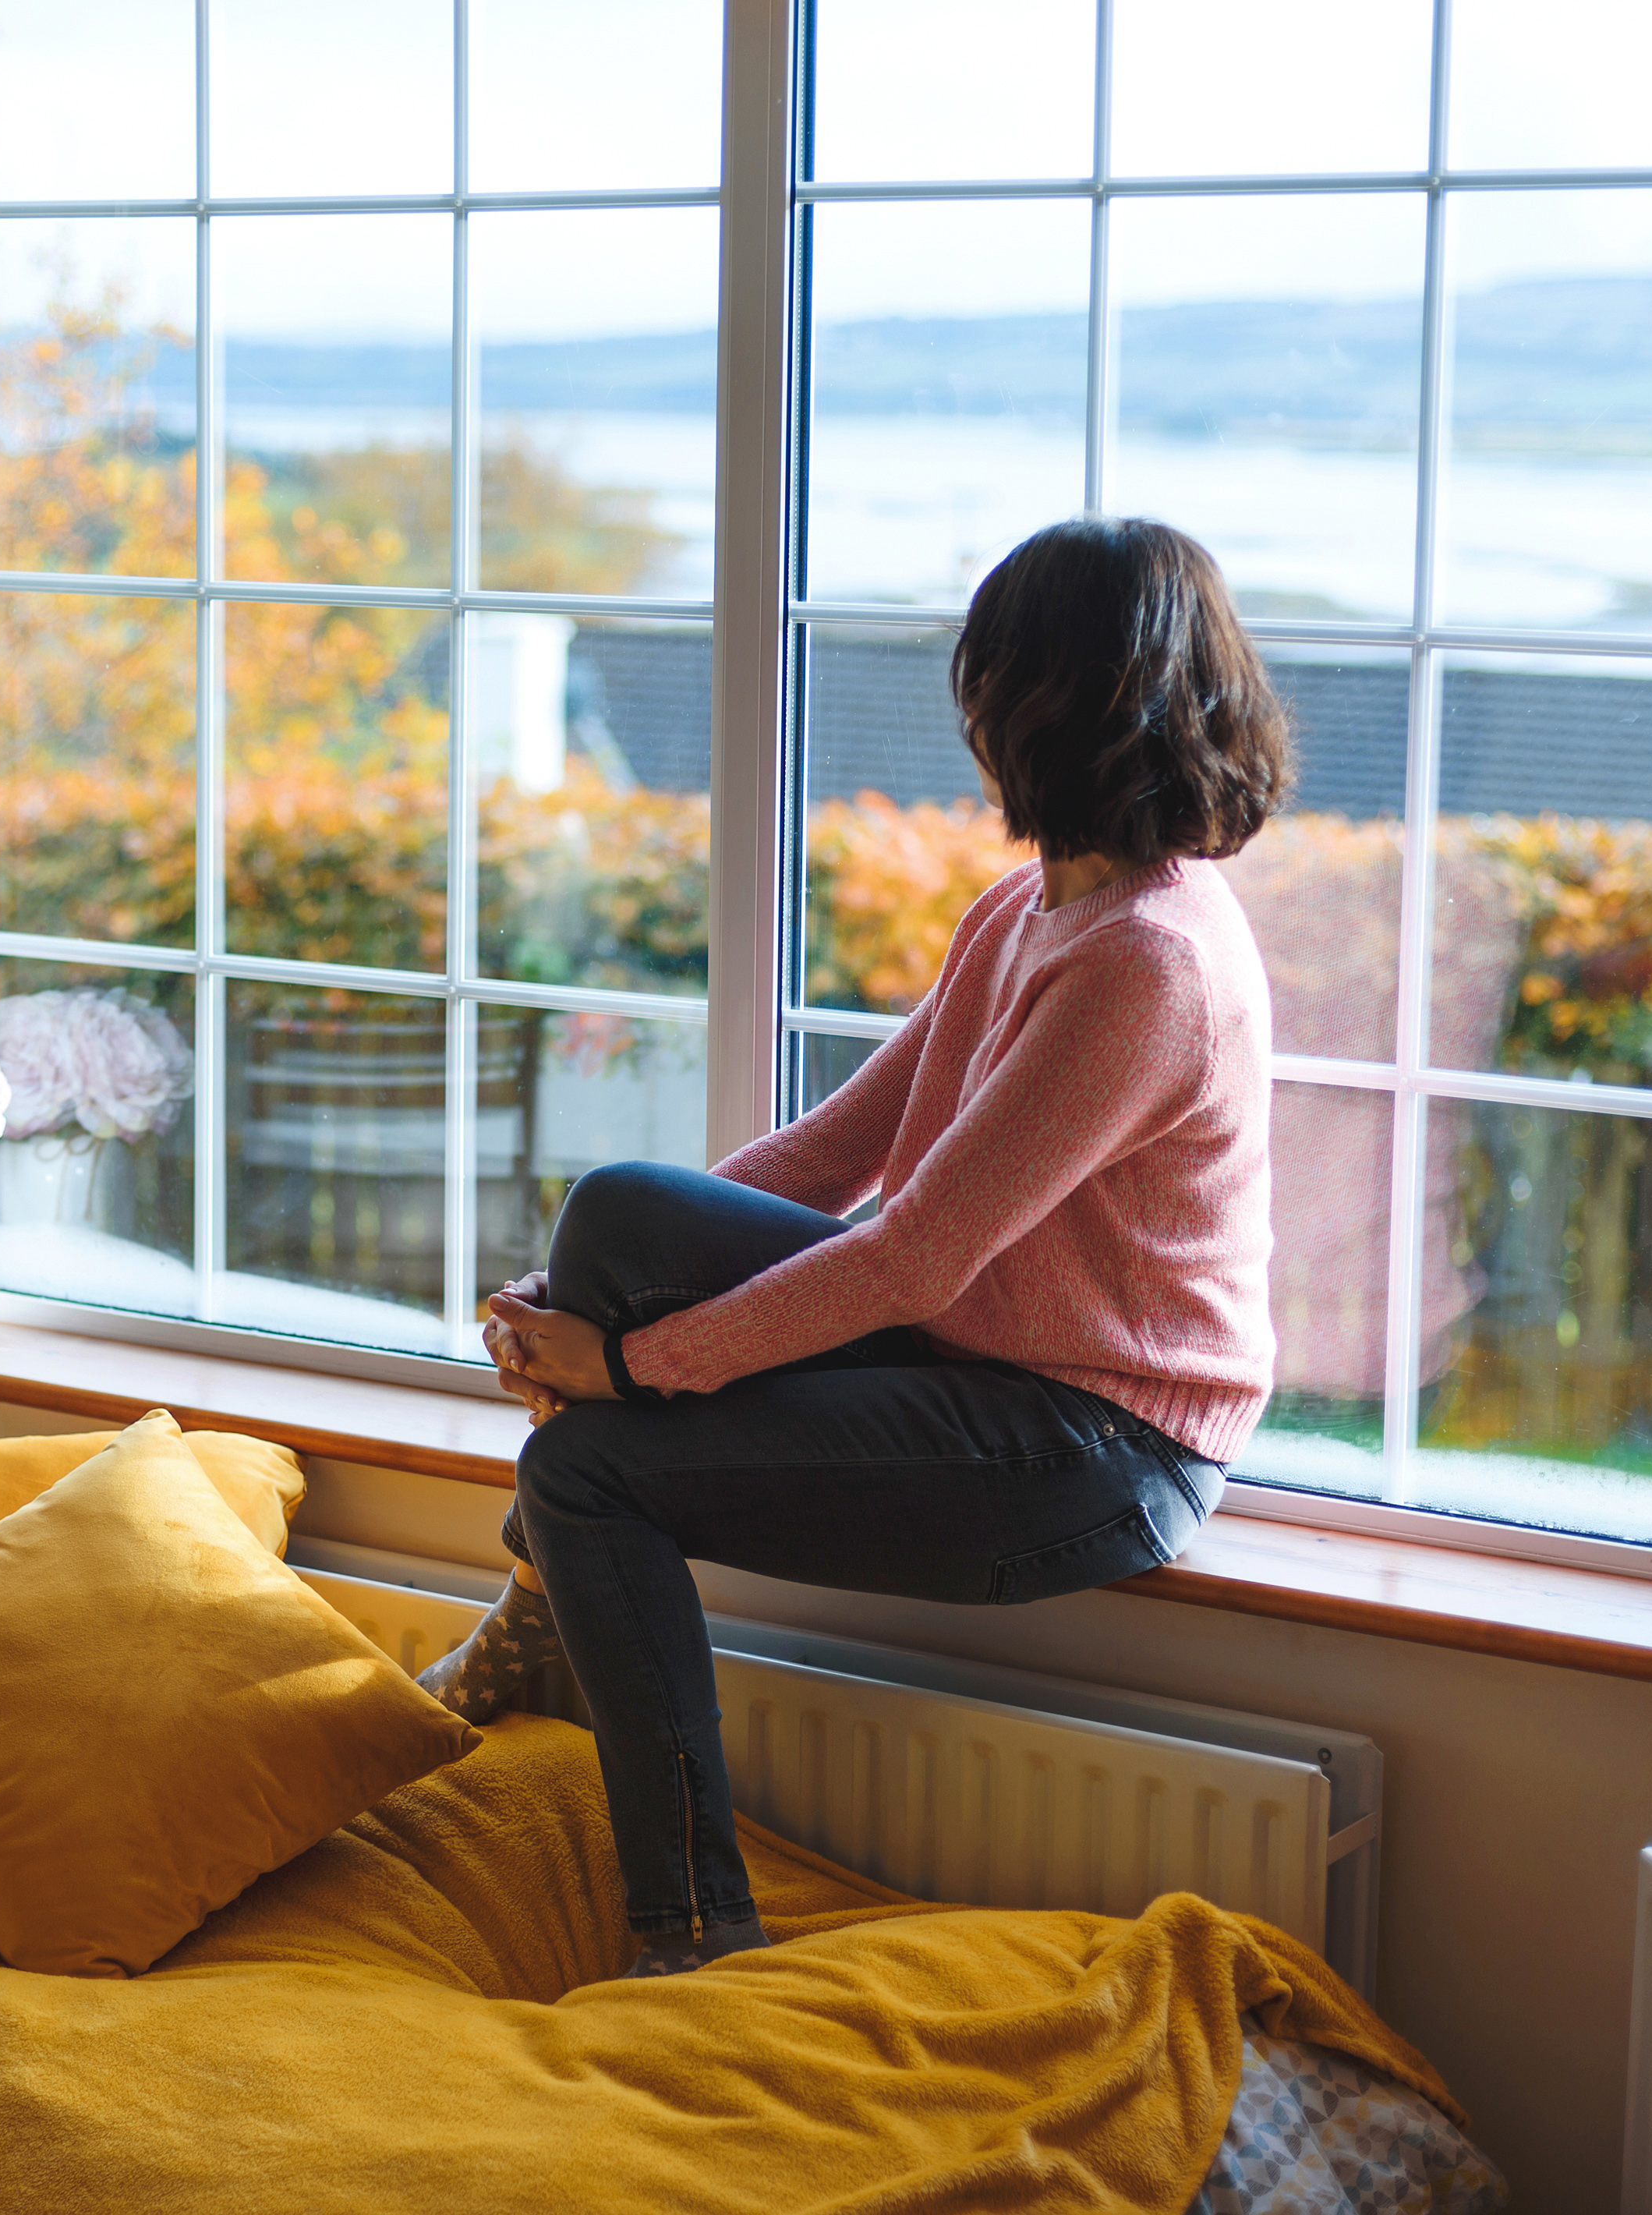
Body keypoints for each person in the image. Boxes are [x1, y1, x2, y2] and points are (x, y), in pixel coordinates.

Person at [417, 515, 1289, 1979]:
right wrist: (577, 1295)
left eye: (988, 678)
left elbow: (913, 1255)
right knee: (623, 1208)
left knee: (584, 1468)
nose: (971, 712)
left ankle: (689, 1929)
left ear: (1050, 703)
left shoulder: (1151, 961)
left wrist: (630, 1366)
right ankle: (558, 1631)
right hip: (982, 1357)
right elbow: (839, 1155)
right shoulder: (1026, 908)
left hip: (1098, 1442)